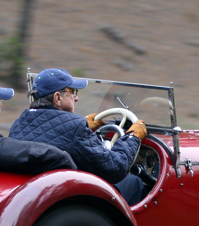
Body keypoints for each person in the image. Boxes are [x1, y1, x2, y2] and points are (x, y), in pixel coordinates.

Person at [8, 68, 148, 205]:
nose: (76, 98)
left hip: (32, 196)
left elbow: (51, 130)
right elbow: (115, 168)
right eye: (73, 92)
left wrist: (84, 125)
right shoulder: (75, 127)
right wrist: (133, 137)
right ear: (57, 97)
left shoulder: (19, 123)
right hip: (74, 201)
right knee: (133, 181)